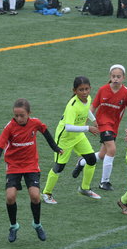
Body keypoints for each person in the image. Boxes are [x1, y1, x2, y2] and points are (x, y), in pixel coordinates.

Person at [0, 99, 62, 242]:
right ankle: (13, 226)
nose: (19, 118)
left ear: (29, 113)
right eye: (16, 115)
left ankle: (37, 224)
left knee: (35, 196)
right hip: (14, 166)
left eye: (22, 115)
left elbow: (46, 133)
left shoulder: (35, 123)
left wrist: (55, 148)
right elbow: (0, 144)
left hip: (31, 165)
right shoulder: (10, 127)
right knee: (10, 197)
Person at [72, 64, 127, 191]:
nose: (116, 79)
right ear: (110, 76)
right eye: (113, 76)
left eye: (118, 76)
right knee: (112, 149)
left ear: (124, 78)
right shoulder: (103, 90)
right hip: (103, 123)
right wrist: (86, 122)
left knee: (102, 155)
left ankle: (82, 162)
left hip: (114, 126)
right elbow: (92, 106)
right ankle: (104, 182)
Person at [42, 76, 101, 204]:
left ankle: (84, 189)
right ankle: (47, 193)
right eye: (81, 90)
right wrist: (88, 128)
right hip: (65, 139)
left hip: (78, 136)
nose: (84, 92)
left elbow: (86, 109)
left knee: (91, 160)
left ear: (90, 88)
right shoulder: (72, 106)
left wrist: (94, 120)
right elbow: (68, 127)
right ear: (74, 91)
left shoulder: (88, 98)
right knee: (59, 167)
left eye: (86, 89)